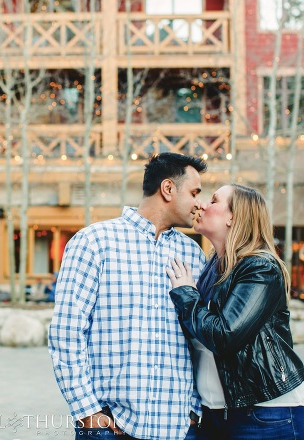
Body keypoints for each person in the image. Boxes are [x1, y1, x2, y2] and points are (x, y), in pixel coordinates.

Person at [48, 152, 208, 440]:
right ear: (168, 189)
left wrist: (194, 409)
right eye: (195, 192)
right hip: (110, 428)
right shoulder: (93, 243)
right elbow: (66, 333)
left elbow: (200, 338)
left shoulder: (193, 254)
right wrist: (87, 412)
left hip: (180, 428)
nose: (200, 202)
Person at [167, 184, 304, 439]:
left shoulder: (260, 268)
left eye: (213, 200)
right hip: (216, 415)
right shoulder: (211, 268)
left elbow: (224, 335)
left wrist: (186, 294)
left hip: (269, 414)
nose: (202, 204)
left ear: (233, 217)